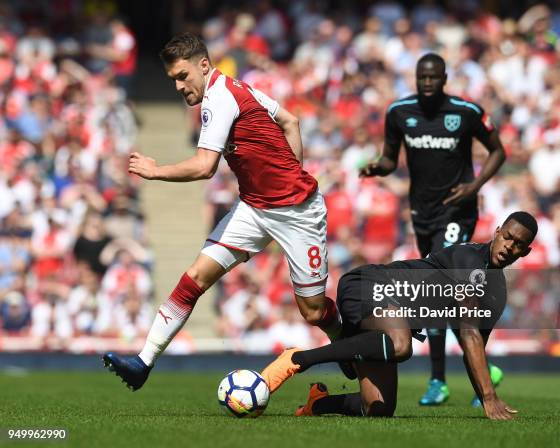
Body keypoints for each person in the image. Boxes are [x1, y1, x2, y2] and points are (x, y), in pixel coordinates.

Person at [103, 33, 340, 390]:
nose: (180, 87)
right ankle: (143, 362)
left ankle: (350, 346)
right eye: (173, 81)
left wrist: (155, 171)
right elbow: (289, 120)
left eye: (183, 76)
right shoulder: (237, 88)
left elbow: (204, 166)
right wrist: (294, 169)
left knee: (314, 311)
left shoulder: (219, 97)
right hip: (254, 207)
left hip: (297, 213)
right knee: (196, 277)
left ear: (203, 65)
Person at [261, 211, 537, 420]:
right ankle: (298, 359)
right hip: (369, 284)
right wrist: (489, 397)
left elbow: (474, 349)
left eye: (518, 244)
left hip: (393, 311)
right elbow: (469, 334)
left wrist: (486, 398)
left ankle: (317, 403)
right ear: (497, 232)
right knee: (401, 345)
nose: (509, 246)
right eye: (507, 237)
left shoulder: (496, 294)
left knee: (378, 408)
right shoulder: (469, 260)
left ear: (525, 252)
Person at [359, 53, 506, 406]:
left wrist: (475, 186)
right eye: (421, 78)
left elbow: (498, 151)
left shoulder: (465, 112)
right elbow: (391, 158)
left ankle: (439, 379)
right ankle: (482, 369)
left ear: (444, 78)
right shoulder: (398, 112)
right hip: (421, 213)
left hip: (458, 210)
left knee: (439, 289)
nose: (427, 84)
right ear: (415, 78)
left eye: (433, 78)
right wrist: (378, 167)